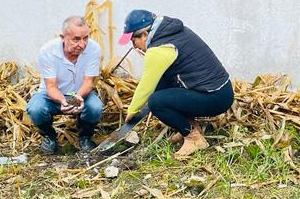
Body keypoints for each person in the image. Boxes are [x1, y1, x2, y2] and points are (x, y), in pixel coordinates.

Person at [117, 10, 234, 159]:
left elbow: (146, 86)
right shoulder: (173, 32)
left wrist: (132, 110)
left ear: (145, 34)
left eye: (134, 40)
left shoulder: (159, 49)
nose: (134, 46)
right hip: (221, 91)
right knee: (160, 82)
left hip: (214, 96)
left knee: (156, 102)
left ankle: (194, 138)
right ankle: (191, 127)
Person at [26, 16, 103, 153]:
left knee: (95, 107)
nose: (82, 44)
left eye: (85, 38)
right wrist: (63, 101)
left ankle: (85, 137)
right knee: (35, 108)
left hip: (80, 93)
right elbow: (51, 86)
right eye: (76, 39)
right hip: (52, 96)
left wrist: (78, 97)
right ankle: (49, 136)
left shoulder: (93, 49)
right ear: (63, 37)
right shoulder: (48, 51)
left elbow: (88, 82)